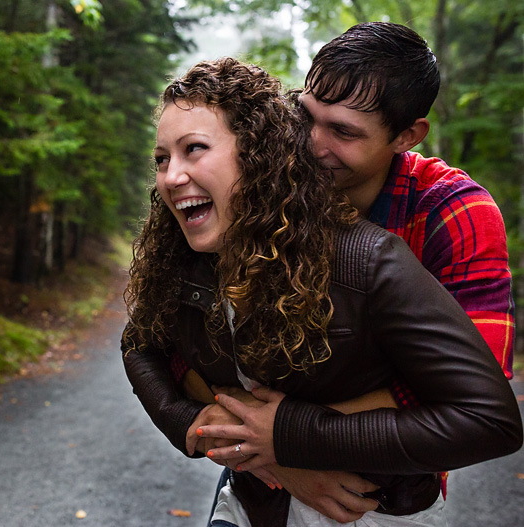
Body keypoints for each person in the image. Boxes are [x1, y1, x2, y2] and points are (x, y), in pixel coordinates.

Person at [121, 57, 522, 527]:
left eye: (344, 131)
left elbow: (479, 404)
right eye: (305, 118)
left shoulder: (397, 240)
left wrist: (287, 436)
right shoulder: (201, 246)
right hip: (257, 497)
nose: (311, 143)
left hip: (374, 503)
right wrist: (208, 428)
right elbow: (143, 340)